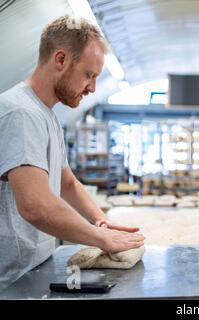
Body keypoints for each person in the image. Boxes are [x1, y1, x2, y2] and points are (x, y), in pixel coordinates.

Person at [0, 16, 145, 291]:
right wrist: (101, 239)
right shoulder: (21, 113)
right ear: (61, 60)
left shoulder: (47, 116)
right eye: (89, 75)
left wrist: (102, 222)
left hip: (30, 270)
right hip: (7, 281)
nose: (92, 88)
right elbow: (35, 206)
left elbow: (67, 183)